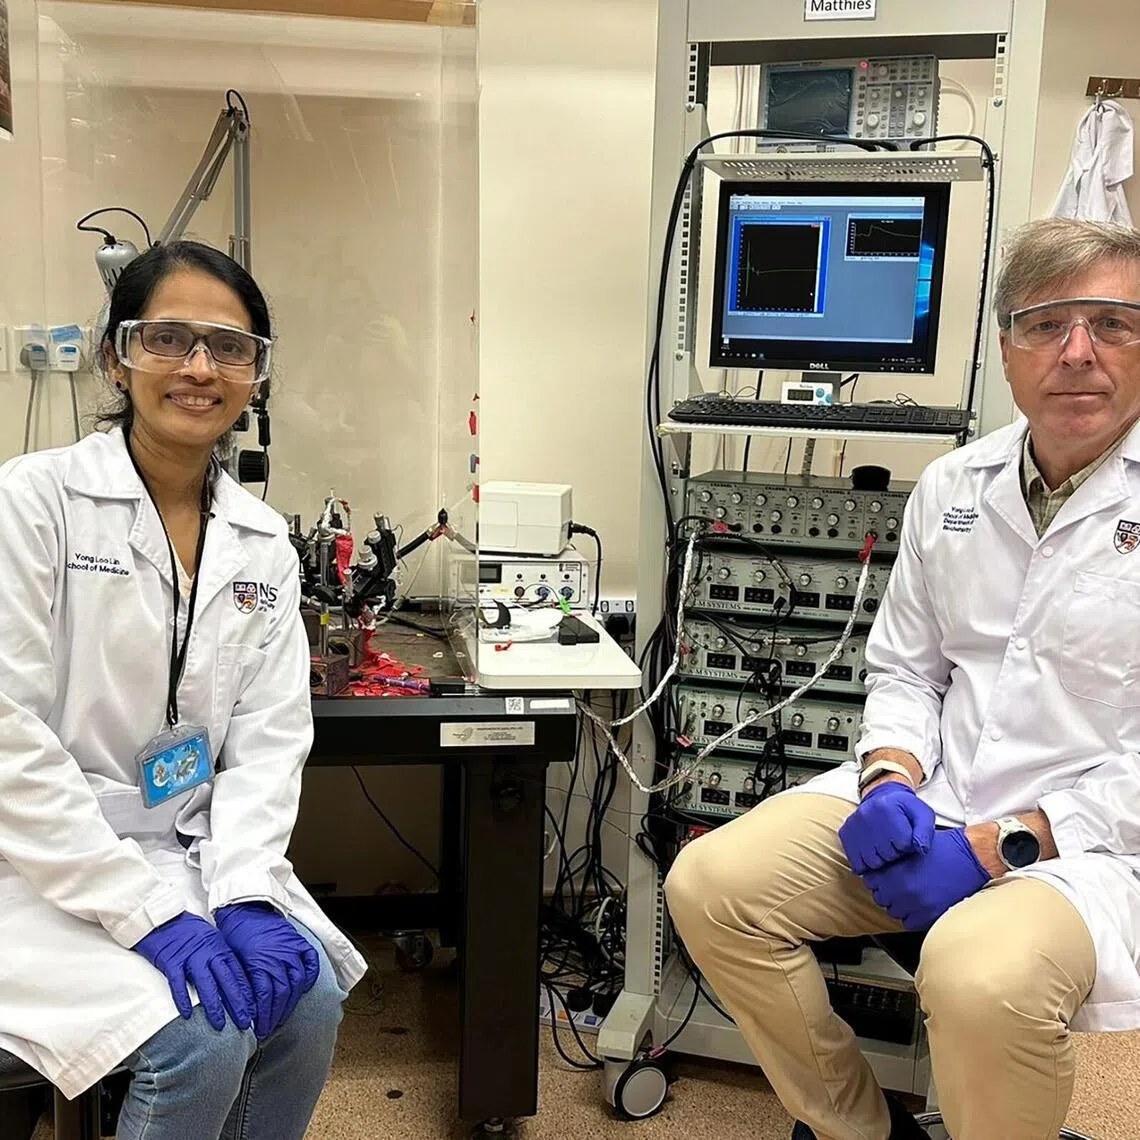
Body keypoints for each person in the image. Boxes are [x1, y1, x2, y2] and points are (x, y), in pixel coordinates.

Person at [664, 217, 1140, 1140]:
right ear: (1007, 350)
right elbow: (907, 669)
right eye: (1046, 325)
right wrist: (889, 774)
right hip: (941, 794)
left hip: (1099, 848)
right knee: (710, 884)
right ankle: (850, 1127)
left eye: (1113, 323)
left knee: (977, 977)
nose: (1077, 352)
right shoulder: (954, 486)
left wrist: (1008, 843)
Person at [0, 240, 367, 1140]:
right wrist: (145, 915)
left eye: (230, 347)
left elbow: (269, 742)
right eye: (168, 338)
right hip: (33, 864)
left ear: (256, 375)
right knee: (203, 1034)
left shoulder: (261, 542)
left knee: (308, 1002)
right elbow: (6, 731)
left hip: (181, 852)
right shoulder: (33, 502)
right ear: (116, 356)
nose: (200, 368)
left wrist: (242, 891)